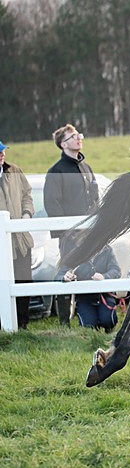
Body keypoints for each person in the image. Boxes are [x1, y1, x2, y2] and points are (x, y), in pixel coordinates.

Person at [44, 123, 100, 325]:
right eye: (73, 136)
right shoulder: (56, 171)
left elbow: (95, 198)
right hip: (69, 235)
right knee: (67, 274)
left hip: (89, 232)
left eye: (78, 135)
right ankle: (64, 322)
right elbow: (52, 204)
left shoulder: (86, 167)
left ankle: (90, 319)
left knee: (89, 271)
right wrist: (67, 232)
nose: (78, 139)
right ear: (63, 144)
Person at [0, 140, 35, 329]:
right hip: (1, 243)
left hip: (21, 240)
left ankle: (23, 325)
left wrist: (26, 214)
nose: (2, 154)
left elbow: (27, 194)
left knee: (24, 281)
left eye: (3, 151)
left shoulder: (15, 170)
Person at [63, 244, 120, 332]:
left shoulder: (107, 249)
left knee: (108, 320)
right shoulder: (75, 251)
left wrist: (104, 276)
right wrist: (65, 276)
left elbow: (116, 271)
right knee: (88, 325)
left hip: (104, 295)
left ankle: (108, 328)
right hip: (84, 297)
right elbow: (60, 273)